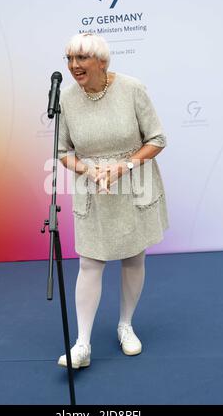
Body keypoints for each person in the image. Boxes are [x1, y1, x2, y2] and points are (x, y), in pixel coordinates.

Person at [57, 33, 168, 369]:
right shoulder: (65, 98)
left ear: (102, 62)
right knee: (90, 263)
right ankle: (82, 344)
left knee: (133, 257)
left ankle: (125, 325)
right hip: (93, 191)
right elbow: (62, 152)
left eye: (82, 59)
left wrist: (124, 165)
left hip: (133, 183)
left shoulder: (132, 89)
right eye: (70, 59)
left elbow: (157, 139)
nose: (74, 66)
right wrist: (88, 171)